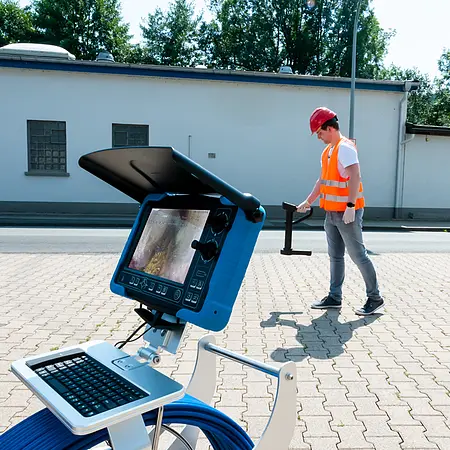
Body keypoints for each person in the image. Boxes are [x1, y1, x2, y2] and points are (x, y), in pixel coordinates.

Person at [297, 106, 384, 316]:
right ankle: (334, 297)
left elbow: (355, 176)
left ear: (330, 128)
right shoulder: (328, 151)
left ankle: (375, 298)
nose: (318, 137)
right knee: (335, 257)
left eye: (319, 132)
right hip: (331, 213)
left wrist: (351, 206)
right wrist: (308, 201)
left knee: (359, 256)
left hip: (347, 213)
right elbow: (322, 181)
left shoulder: (345, 148)